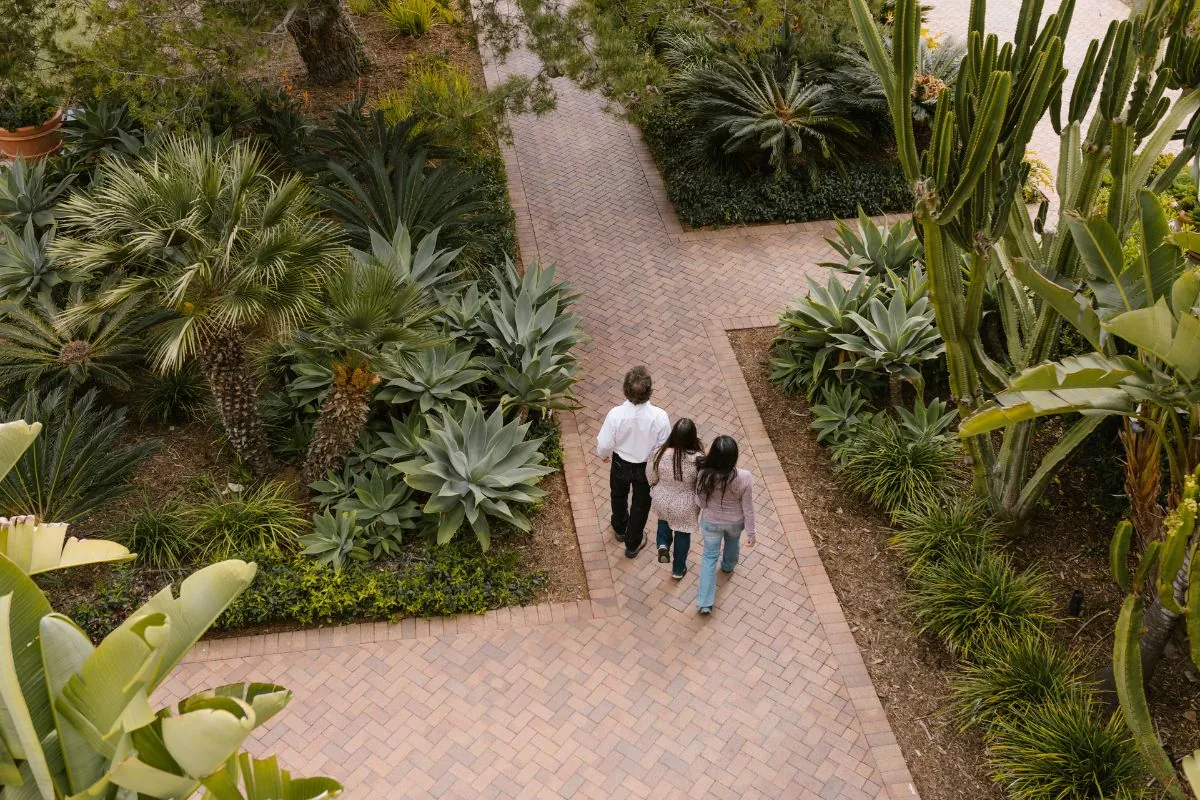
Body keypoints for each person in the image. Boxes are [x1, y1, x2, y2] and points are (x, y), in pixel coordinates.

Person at [597, 366, 670, 558]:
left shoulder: (615, 415)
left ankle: (620, 528)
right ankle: (632, 543)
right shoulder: (660, 417)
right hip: (645, 467)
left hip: (620, 463)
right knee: (640, 505)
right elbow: (664, 447)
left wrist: (604, 454)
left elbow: (605, 443)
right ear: (650, 391)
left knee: (618, 495)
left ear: (625, 390)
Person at [694, 435, 755, 615]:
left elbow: (701, 503)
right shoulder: (745, 477)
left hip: (711, 523)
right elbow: (748, 508)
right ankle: (728, 565)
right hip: (735, 523)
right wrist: (751, 533)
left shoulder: (705, 475)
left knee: (709, 558)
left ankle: (705, 602)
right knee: (732, 543)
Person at [647, 418, 704, 580]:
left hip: (662, 498)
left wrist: (656, 488)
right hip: (685, 504)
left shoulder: (658, 453)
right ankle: (678, 570)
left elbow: (651, 476)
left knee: (664, 521)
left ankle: (663, 545)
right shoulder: (698, 458)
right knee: (683, 534)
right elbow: (701, 484)